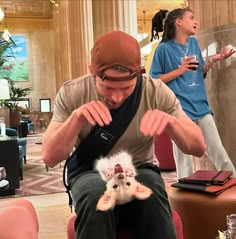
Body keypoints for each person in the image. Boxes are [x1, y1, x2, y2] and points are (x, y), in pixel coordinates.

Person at [42, 30, 206, 239]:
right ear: (92, 71)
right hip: (90, 171)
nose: (117, 97)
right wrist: (76, 118)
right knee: (95, 194)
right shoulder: (72, 92)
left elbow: (198, 147)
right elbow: (50, 156)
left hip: (140, 168)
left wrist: (171, 122)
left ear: (138, 73)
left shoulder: (155, 91)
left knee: (151, 191)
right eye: (108, 87)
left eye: (127, 88)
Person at [149, 8, 236, 179]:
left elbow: (199, 72)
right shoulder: (163, 49)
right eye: (191, 18)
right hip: (179, 112)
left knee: (219, 154)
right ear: (178, 22)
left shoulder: (194, 44)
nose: (195, 21)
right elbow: (154, 80)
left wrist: (215, 59)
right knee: (184, 162)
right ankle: (185, 200)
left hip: (201, 107)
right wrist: (179, 70)